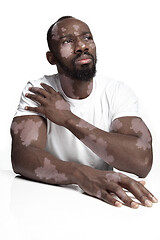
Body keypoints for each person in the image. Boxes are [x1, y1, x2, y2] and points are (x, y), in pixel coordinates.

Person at [11, 16, 158, 208]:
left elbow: (142, 161)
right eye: (68, 41)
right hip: (47, 200)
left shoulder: (116, 92)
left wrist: (69, 119)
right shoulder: (40, 91)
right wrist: (81, 175)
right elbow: (22, 156)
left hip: (102, 203)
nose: (81, 46)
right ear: (51, 57)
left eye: (87, 37)